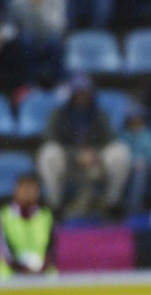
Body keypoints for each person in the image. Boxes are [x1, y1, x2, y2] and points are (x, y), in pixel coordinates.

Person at [36, 75, 132, 219]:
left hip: (96, 160)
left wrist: (92, 154)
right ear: (72, 94)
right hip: (67, 161)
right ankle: (54, 205)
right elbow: (50, 139)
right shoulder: (59, 114)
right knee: (48, 153)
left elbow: (109, 140)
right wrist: (76, 154)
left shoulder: (100, 114)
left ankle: (112, 202)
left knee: (120, 151)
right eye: (79, 92)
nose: (82, 96)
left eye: (85, 92)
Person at [0, 175, 57, 279]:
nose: (28, 193)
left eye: (32, 190)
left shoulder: (46, 215)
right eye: (24, 189)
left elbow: (51, 248)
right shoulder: (4, 215)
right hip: (11, 275)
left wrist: (40, 269)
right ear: (16, 191)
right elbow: (4, 250)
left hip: (42, 273)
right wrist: (24, 271)